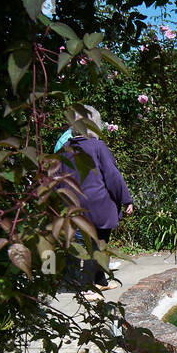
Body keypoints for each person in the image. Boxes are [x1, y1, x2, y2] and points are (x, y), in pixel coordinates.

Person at [56, 105, 132, 294]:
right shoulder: (98, 147)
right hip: (99, 207)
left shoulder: (65, 150)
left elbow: (56, 180)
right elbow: (113, 176)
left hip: (74, 207)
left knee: (82, 245)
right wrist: (126, 199)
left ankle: (98, 280)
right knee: (97, 245)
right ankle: (89, 288)